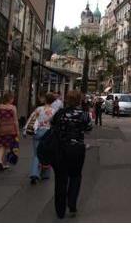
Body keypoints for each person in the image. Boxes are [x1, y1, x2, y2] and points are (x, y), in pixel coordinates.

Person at [50, 90, 92, 219]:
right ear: (79, 100)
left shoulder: (60, 113)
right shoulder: (84, 114)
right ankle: (72, 205)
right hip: (76, 149)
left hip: (60, 148)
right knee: (75, 176)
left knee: (60, 178)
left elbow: (52, 125)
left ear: (67, 100)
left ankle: (60, 210)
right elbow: (88, 129)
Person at [27, 92, 57, 185]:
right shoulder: (54, 111)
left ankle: (34, 173)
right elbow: (55, 124)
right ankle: (45, 174)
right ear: (53, 101)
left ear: (45, 100)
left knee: (37, 154)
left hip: (37, 132)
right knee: (47, 154)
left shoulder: (38, 109)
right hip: (48, 134)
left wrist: (25, 130)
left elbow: (31, 119)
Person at [0, 92, 20, 172]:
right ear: (10, 99)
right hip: (10, 129)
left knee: (1, 145)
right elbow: (15, 121)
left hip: (0, 129)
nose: (13, 100)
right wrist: (17, 131)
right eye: (12, 98)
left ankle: (0, 161)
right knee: (8, 146)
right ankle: (5, 163)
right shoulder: (13, 107)